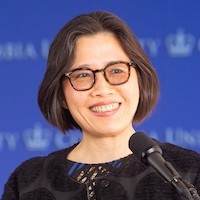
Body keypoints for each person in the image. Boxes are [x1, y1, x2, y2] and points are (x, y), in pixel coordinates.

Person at [2, 11, 200, 200]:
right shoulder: (26, 182)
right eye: (83, 75)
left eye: (116, 71)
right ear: (61, 94)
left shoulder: (189, 172)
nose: (102, 89)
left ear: (140, 80)